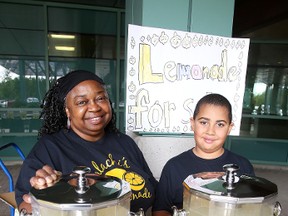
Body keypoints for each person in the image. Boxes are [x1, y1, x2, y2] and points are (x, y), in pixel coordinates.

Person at [15, 70, 158, 215]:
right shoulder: (50, 148)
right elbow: (25, 207)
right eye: (82, 102)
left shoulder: (125, 142)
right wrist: (43, 193)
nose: (95, 107)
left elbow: (154, 187)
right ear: (67, 111)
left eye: (101, 98)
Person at [152, 93, 255, 216]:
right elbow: (160, 210)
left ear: (229, 128)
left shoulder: (243, 166)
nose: (210, 131)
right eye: (204, 122)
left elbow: (251, 208)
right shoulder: (173, 167)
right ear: (193, 123)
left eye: (220, 124)